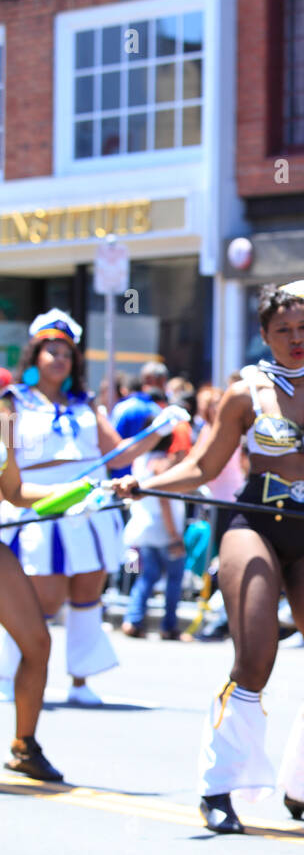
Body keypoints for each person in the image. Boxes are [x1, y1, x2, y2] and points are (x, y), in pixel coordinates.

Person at [117, 281, 304, 834]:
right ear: (265, 335)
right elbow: (206, 467)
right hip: (250, 523)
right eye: (283, 330)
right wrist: (145, 482)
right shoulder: (245, 392)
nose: (296, 338)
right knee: (255, 657)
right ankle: (218, 788)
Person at [0, 310, 167, 707]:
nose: (59, 359)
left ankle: (80, 680)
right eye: (51, 351)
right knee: (43, 599)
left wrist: (160, 429)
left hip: (88, 507)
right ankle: (8, 671)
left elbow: (118, 454)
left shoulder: (86, 403)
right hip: (38, 506)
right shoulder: (12, 402)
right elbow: (7, 467)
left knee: (88, 593)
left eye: (66, 354)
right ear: (35, 355)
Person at [0, 435, 70, 780]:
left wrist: (79, 490)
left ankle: (24, 745)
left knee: (37, 643)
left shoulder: (4, 420)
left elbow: (13, 490)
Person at [120, 435, 188, 640]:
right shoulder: (162, 464)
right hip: (164, 531)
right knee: (174, 579)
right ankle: (168, 626)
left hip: (146, 529)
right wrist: (174, 536)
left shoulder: (141, 460)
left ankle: (133, 620)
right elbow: (164, 501)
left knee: (148, 577)